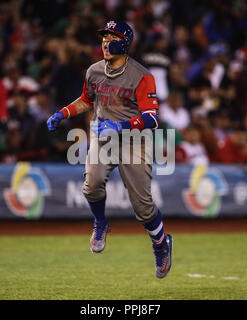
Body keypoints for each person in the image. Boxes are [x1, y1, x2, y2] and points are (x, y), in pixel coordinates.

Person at [47, 20, 173, 279]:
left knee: (142, 206)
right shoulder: (94, 71)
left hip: (133, 141)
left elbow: (152, 118)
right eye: (103, 37)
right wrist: (63, 113)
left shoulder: (141, 75)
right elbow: (86, 100)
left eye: (111, 37)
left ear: (125, 42)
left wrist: (120, 125)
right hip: (103, 137)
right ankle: (101, 222)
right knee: (91, 185)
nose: (105, 41)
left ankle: (161, 244)